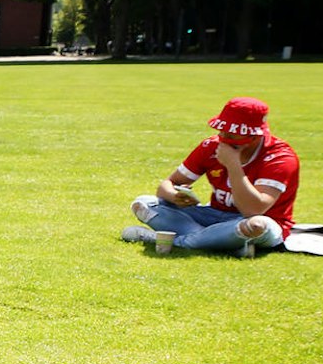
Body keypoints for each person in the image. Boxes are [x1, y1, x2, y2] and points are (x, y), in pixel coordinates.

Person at [124, 97, 297, 254]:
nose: (222, 139)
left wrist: (233, 165)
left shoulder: (280, 158)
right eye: (221, 132)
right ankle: (222, 242)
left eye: (230, 135)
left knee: (257, 225)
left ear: (254, 137)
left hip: (257, 222)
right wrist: (175, 196)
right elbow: (166, 185)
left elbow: (252, 210)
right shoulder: (211, 146)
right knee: (144, 203)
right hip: (214, 215)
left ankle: (171, 240)